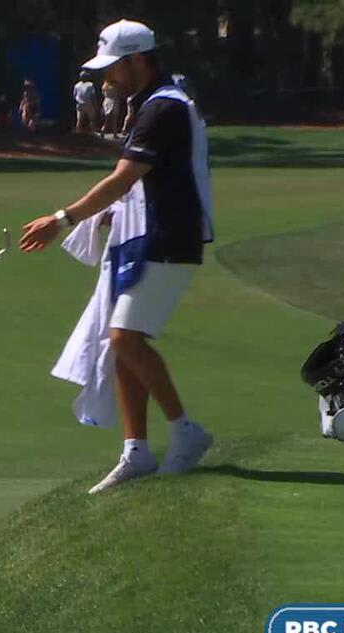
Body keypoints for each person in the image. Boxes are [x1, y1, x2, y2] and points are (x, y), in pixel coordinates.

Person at [18, 19, 215, 494]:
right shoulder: (150, 103)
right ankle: (137, 452)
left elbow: (123, 178)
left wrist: (61, 219)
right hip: (148, 236)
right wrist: (111, 216)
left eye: (113, 68)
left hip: (170, 239)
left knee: (125, 338)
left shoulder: (162, 109)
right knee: (122, 341)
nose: (106, 78)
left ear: (137, 61)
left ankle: (187, 432)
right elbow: (144, 183)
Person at [74, 70, 101, 134]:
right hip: (88, 103)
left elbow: (74, 95)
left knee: (79, 120)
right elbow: (92, 95)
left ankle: (78, 133)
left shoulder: (77, 85)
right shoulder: (90, 85)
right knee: (92, 119)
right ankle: (93, 132)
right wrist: (95, 105)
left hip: (79, 104)